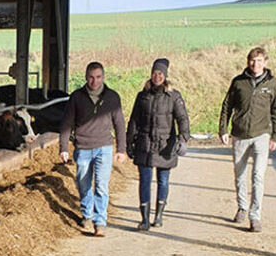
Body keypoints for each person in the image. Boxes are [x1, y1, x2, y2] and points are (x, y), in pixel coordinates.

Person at [60, 62, 127, 237]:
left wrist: (121, 148)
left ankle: (100, 222)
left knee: (101, 185)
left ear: (103, 77)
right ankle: (87, 214)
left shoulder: (112, 97)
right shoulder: (76, 97)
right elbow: (67, 122)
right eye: (91, 77)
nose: (94, 81)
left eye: (98, 77)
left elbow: (119, 123)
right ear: (85, 77)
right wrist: (63, 147)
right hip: (83, 147)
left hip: (104, 147)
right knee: (83, 183)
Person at [218, 47, 276, 233]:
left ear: (265, 62)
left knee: (258, 176)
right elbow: (226, 106)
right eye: (253, 60)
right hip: (240, 134)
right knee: (240, 174)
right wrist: (223, 129)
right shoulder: (238, 82)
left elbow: (275, 110)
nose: (256, 64)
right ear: (247, 62)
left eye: (259, 60)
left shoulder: (272, 83)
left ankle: (255, 217)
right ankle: (242, 207)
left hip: (262, 134)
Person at [126, 58, 191, 231]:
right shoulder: (142, 96)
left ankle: (159, 215)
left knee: (163, 180)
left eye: (160, 73)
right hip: (145, 144)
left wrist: (183, 138)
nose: (157, 76)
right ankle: (145, 219)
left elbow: (182, 118)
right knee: (144, 181)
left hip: (165, 146)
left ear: (166, 76)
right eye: (155, 73)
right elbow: (134, 120)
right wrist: (129, 141)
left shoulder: (173, 96)